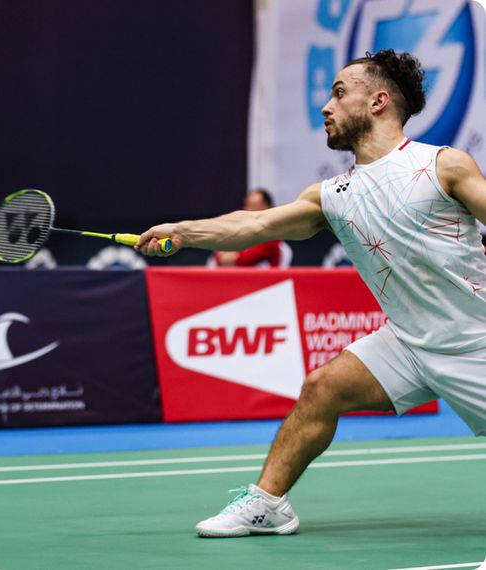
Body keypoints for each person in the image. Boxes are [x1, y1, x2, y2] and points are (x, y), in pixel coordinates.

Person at [136, 49, 486, 538]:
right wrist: (186, 231)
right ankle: (268, 503)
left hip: (476, 340)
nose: (327, 105)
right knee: (323, 387)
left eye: (340, 93)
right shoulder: (332, 195)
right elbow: (255, 223)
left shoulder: (443, 166)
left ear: (380, 101)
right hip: (409, 343)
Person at [209, 189, 292, 267]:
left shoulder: (272, 239)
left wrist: (235, 258)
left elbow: (246, 260)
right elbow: (216, 258)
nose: (248, 210)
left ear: (268, 208)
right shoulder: (237, 232)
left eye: (253, 206)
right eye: (247, 206)